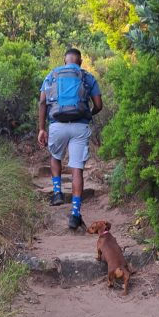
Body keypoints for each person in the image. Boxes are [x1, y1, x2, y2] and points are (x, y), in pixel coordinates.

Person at [38, 47, 102, 230]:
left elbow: (43, 102)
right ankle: (75, 214)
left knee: (55, 156)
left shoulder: (52, 74)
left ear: (65, 61)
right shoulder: (87, 76)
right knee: (77, 169)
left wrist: (42, 129)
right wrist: (89, 114)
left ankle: (57, 193)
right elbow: (98, 104)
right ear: (80, 61)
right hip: (80, 126)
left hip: (57, 124)